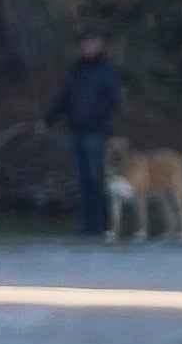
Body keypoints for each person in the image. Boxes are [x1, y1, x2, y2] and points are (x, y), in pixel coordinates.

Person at [52, 29, 127, 238]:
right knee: (82, 179)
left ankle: (102, 224)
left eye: (93, 43)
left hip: (97, 132)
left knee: (97, 178)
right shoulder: (76, 69)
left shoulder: (108, 70)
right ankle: (87, 225)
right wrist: (48, 119)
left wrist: (97, 119)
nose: (88, 47)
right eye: (85, 43)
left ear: (100, 45)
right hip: (77, 131)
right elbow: (64, 97)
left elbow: (112, 100)